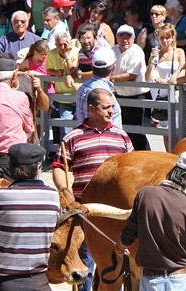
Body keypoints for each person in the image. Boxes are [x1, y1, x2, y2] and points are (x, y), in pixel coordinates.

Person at [54, 88, 132, 291]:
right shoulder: (73, 137)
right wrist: (63, 188)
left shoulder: (122, 136)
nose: (111, 111)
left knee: (118, 258)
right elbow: (59, 167)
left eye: (113, 107)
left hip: (115, 211)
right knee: (85, 258)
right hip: (85, 210)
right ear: (91, 108)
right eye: (106, 107)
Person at [0, 143, 60, 291]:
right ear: (39, 166)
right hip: (38, 282)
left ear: (10, 167)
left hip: (3, 284)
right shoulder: (52, 196)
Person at [114, 151, 186, 291]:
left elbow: (129, 233)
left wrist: (119, 247)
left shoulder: (145, 194)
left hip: (150, 282)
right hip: (181, 281)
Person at [111, 24, 151, 150]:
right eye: (121, 36)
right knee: (123, 130)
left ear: (133, 38)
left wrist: (110, 79)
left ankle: (146, 155)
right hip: (119, 95)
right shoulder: (113, 50)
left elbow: (132, 75)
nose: (124, 39)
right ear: (117, 38)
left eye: (127, 36)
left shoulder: (136, 50)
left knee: (137, 131)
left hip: (136, 96)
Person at [75, 47, 122, 127]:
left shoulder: (83, 88)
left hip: (84, 137)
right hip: (104, 138)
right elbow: (112, 123)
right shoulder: (104, 93)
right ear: (113, 68)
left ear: (93, 67)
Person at [45, 31, 80, 138]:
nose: (62, 47)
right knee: (65, 130)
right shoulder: (51, 53)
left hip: (78, 95)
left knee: (80, 128)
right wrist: (55, 72)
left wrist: (67, 56)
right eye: (59, 45)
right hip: (62, 97)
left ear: (70, 42)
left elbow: (73, 71)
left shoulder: (76, 52)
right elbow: (48, 69)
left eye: (65, 44)